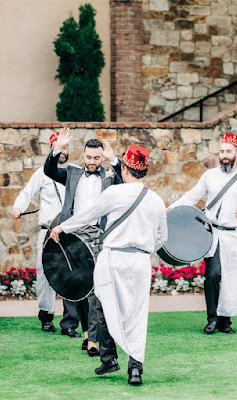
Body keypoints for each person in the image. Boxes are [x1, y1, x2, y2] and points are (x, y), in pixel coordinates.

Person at [50, 144, 168, 385]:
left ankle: (109, 358)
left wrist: (63, 227)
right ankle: (135, 367)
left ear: (125, 169)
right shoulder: (156, 200)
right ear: (143, 171)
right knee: (136, 313)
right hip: (140, 262)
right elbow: (162, 238)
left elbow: (88, 215)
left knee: (102, 305)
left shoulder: (114, 194)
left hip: (112, 258)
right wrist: (144, 250)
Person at [44, 127, 121, 356]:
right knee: (79, 286)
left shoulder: (109, 177)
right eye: (89, 157)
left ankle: (93, 341)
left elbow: (126, 180)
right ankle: (87, 331)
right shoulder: (72, 173)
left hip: (98, 236)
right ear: (83, 155)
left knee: (96, 288)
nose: (92, 162)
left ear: (101, 157)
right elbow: (49, 170)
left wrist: (113, 159)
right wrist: (58, 148)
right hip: (73, 237)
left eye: (97, 158)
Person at [169, 133, 237, 334]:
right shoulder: (210, 176)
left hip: (235, 235)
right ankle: (212, 318)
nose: (224, 155)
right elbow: (192, 196)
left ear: (236, 153)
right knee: (213, 274)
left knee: (231, 278)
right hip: (213, 233)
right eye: (222, 151)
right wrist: (172, 208)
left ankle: (226, 321)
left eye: (228, 151)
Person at [12, 132, 69, 333]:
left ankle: (70, 322)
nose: (62, 151)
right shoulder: (42, 173)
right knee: (45, 273)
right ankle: (46, 317)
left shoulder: (75, 172)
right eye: (57, 146)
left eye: (64, 147)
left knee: (71, 273)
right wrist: (18, 207)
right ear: (51, 148)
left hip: (69, 232)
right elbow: (27, 192)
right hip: (47, 231)